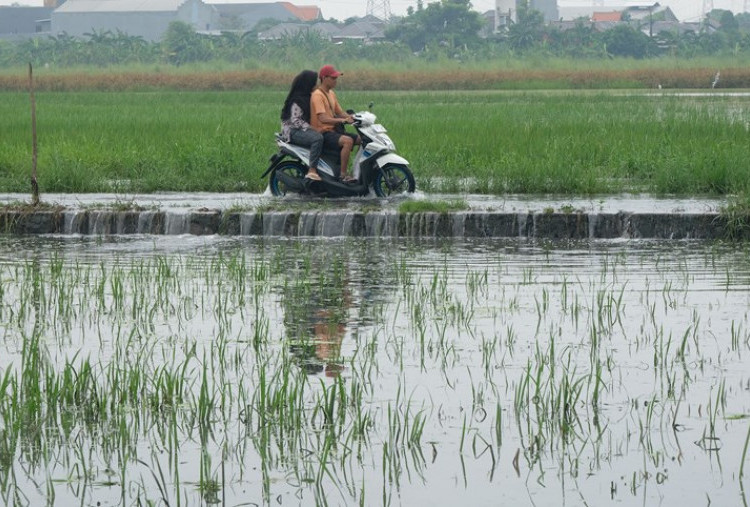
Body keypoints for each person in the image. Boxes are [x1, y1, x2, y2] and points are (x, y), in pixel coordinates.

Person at [310, 64, 360, 183]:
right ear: (324, 78)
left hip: (333, 131)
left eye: (336, 78)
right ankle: (342, 175)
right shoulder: (317, 95)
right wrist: (343, 120)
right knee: (347, 141)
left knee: (361, 139)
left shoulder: (331, 93)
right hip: (323, 132)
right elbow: (322, 118)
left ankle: (357, 172)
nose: (335, 80)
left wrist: (355, 117)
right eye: (333, 78)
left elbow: (339, 112)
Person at [281, 69, 324, 181]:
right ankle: (312, 170)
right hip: (292, 131)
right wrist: (314, 129)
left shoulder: (309, 97)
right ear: (308, 84)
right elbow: (296, 121)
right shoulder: (298, 100)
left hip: (301, 129)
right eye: (314, 83)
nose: (317, 85)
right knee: (317, 139)